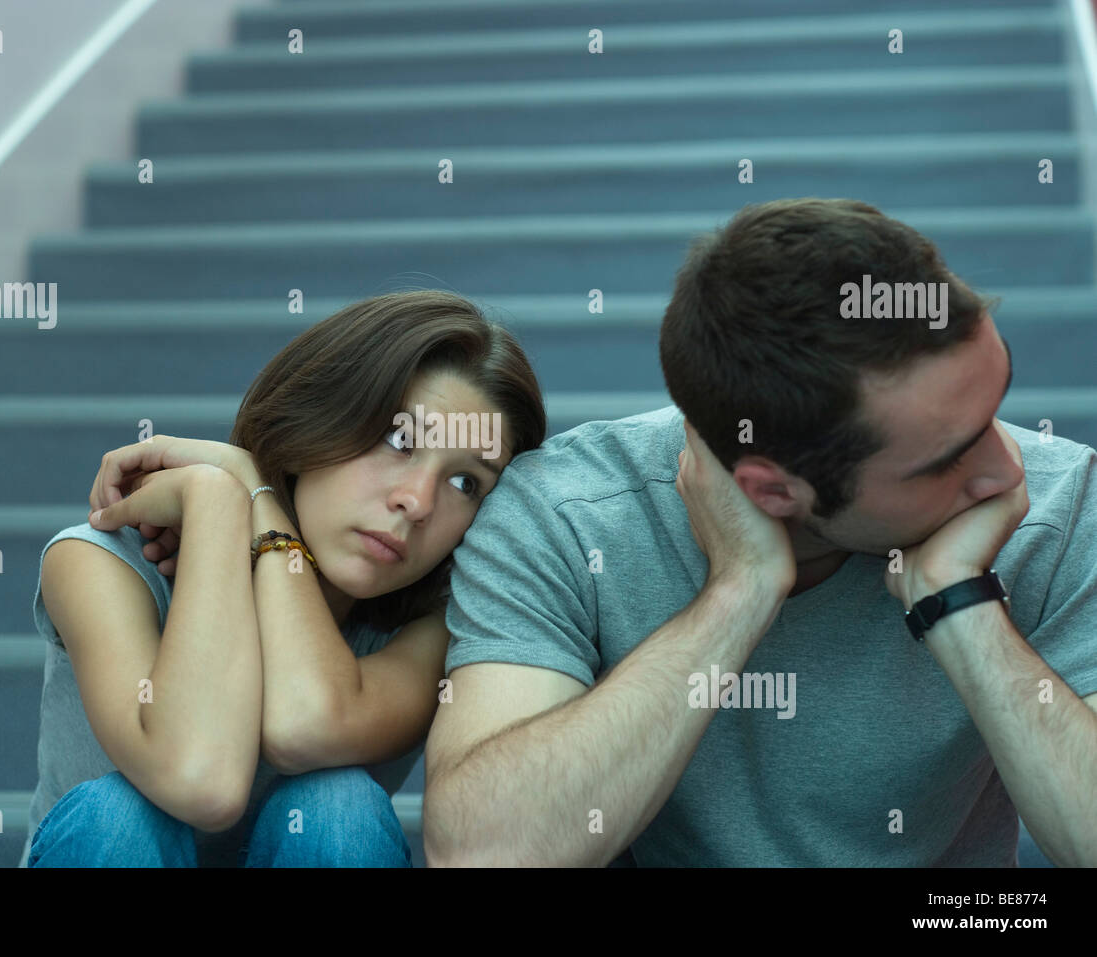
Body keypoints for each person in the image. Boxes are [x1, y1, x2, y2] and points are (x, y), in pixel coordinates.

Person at [422, 198, 1097, 867]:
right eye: (947, 459)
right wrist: (740, 589)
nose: (1009, 473)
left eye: (996, 405)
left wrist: (959, 602)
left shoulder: (1058, 503)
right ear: (774, 491)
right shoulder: (570, 514)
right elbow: (483, 853)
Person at [18, 290, 546, 867]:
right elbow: (202, 782)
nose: (417, 502)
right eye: (401, 441)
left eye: (466, 482)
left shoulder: (440, 631)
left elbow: (303, 724)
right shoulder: (101, 561)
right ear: (318, 419)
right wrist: (216, 501)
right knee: (117, 818)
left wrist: (253, 495)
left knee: (337, 805)